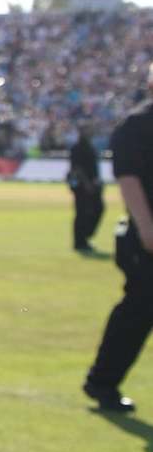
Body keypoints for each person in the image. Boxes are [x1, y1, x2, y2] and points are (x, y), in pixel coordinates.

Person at [84, 65, 153, 413]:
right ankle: (102, 382)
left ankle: (102, 381)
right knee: (138, 311)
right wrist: (146, 227)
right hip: (146, 239)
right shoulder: (138, 125)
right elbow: (129, 180)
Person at [67, 127, 105, 255]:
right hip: (81, 186)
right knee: (82, 212)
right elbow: (77, 168)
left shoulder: (90, 146)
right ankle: (80, 242)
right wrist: (87, 183)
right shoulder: (77, 148)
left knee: (98, 208)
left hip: (93, 184)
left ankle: (86, 235)